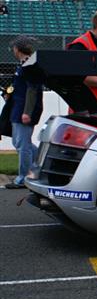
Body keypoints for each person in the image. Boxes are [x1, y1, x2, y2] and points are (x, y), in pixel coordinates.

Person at [4, 37, 43, 189]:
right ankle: (40, 165)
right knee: (20, 142)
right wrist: (9, 93)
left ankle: (23, 177)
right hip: (17, 107)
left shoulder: (29, 65)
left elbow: (32, 90)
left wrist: (27, 112)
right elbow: (18, 86)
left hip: (23, 110)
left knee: (22, 145)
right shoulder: (23, 65)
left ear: (17, 49)